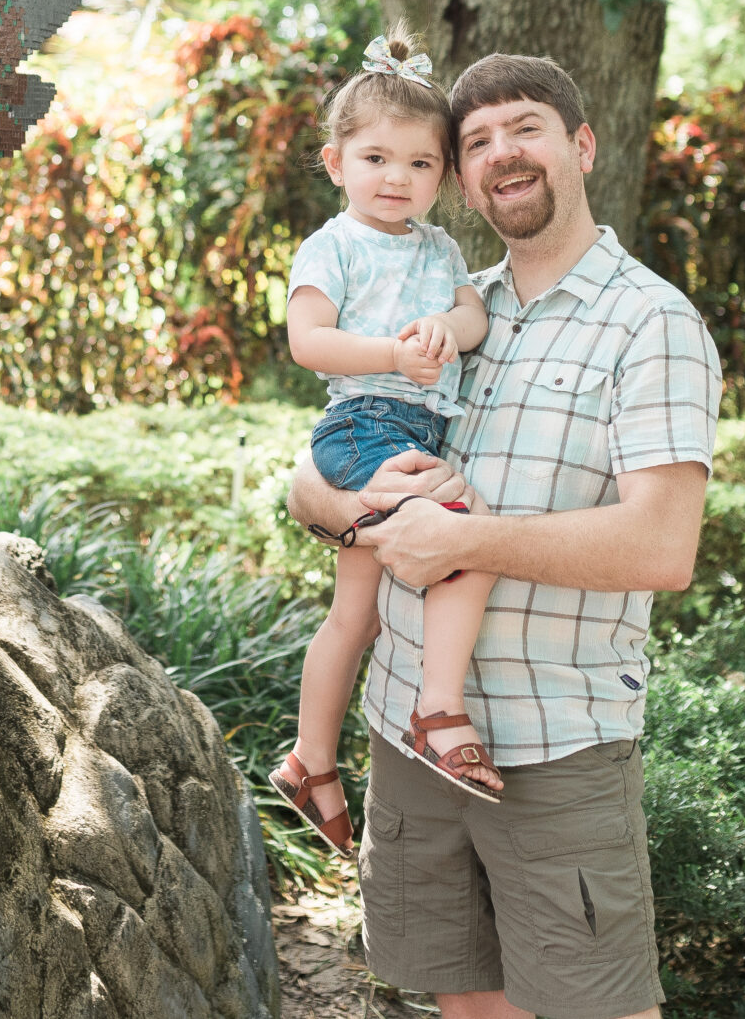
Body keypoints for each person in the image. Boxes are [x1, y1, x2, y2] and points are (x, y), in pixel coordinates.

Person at [287, 53, 720, 1019]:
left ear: (581, 144)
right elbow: (315, 475)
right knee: (471, 1007)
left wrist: (467, 545)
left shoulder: (651, 322)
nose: (499, 154)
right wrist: (337, 501)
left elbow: (662, 546)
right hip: (410, 730)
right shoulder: (446, 304)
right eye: (475, 140)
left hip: (552, 745)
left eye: (523, 127)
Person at [268, 34, 497, 859]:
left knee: (354, 614)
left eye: (420, 164)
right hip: (365, 422)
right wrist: (396, 354)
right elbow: (309, 340)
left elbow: (474, 317)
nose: (396, 178)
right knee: (462, 536)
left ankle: (310, 760)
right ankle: (439, 708)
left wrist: (448, 326)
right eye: (375, 157)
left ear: (445, 176)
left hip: (416, 425)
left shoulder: (439, 248)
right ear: (335, 162)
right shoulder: (332, 245)